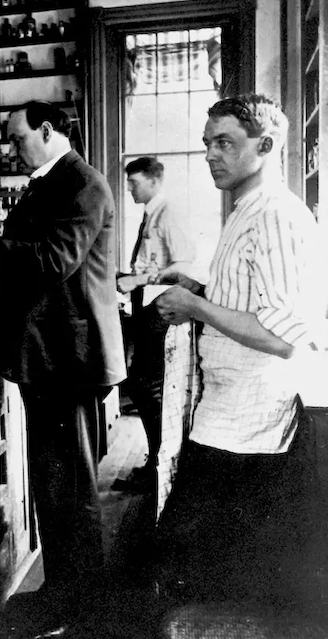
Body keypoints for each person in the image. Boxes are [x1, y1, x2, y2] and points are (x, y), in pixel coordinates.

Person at [0, 100, 126, 638]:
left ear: (49, 129)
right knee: (55, 482)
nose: (12, 149)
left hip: (68, 359)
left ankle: (84, 610)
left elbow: (50, 262)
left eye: (18, 138)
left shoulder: (82, 183)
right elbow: (22, 250)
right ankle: (65, 594)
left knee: (70, 487)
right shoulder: (49, 182)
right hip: (50, 357)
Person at [153, 94, 324, 605]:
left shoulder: (274, 214)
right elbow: (251, 303)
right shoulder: (247, 209)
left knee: (206, 579)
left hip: (248, 424)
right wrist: (202, 292)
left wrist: (195, 307)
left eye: (224, 142)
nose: (210, 154)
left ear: (266, 146)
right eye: (207, 143)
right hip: (226, 413)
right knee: (200, 571)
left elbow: (283, 336)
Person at [116, 157, 194, 491]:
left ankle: (162, 469)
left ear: (154, 181)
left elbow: (184, 265)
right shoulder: (152, 213)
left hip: (160, 310)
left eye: (135, 182)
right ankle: (157, 464)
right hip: (147, 307)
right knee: (142, 385)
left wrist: (138, 280)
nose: (130, 188)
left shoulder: (168, 213)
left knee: (148, 387)